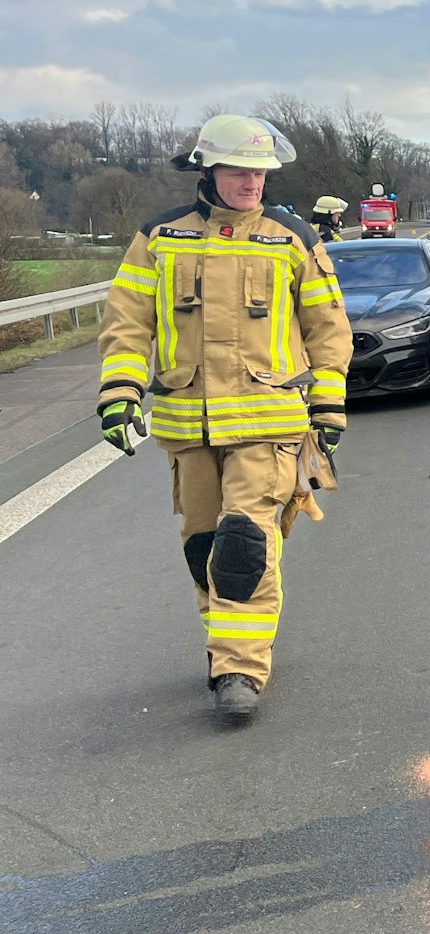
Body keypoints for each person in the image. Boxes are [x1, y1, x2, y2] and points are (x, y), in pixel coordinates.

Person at [95, 114, 352, 722]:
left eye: (259, 172)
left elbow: (327, 327)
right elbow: (127, 324)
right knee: (203, 546)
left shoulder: (290, 237)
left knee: (244, 543)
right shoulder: (159, 238)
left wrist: (330, 404)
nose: (251, 182)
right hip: (188, 426)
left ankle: (240, 666)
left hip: (268, 423)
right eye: (239, 170)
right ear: (208, 170)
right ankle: (227, 645)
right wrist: (119, 392)